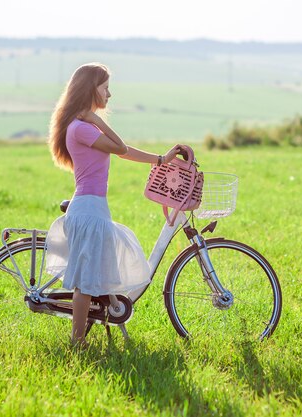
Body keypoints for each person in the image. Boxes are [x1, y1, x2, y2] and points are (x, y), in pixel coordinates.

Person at [46, 62, 182, 347]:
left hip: (94, 209)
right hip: (88, 211)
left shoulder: (82, 127)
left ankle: (96, 327)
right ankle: (77, 343)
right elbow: (119, 147)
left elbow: (125, 152)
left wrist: (162, 159)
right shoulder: (82, 128)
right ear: (90, 90)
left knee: (97, 274)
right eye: (105, 88)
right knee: (85, 283)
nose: (110, 94)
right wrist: (97, 119)